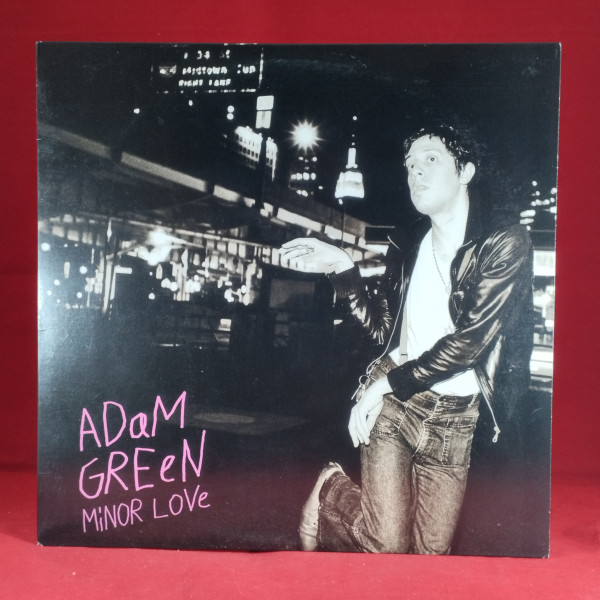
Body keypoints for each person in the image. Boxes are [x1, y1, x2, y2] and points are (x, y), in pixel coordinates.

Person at [280, 123, 534, 554]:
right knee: (386, 546)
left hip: (456, 419)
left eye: (431, 159)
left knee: (430, 559)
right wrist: (343, 268)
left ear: (465, 171)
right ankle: (330, 491)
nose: (416, 170)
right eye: (410, 164)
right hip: (397, 403)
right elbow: (383, 331)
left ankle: (334, 494)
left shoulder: (504, 241)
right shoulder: (407, 241)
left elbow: (469, 342)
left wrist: (383, 385)